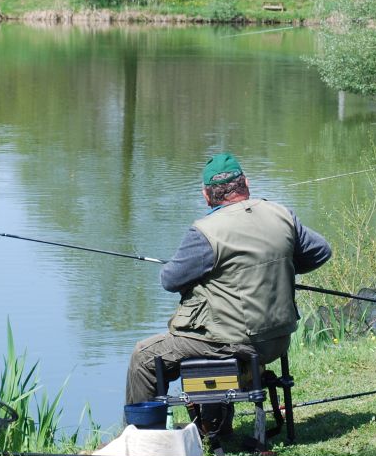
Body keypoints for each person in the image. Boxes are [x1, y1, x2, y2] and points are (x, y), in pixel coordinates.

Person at [125, 153, 332, 406]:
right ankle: (211, 419)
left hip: (233, 343)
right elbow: (321, 251)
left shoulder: (205, 231)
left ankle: (142, 429)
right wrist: (277, 270)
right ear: (246, 183)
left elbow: (169, 280)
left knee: (143, 357)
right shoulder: (281, 214)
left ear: (206, 195)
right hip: (277, 341)